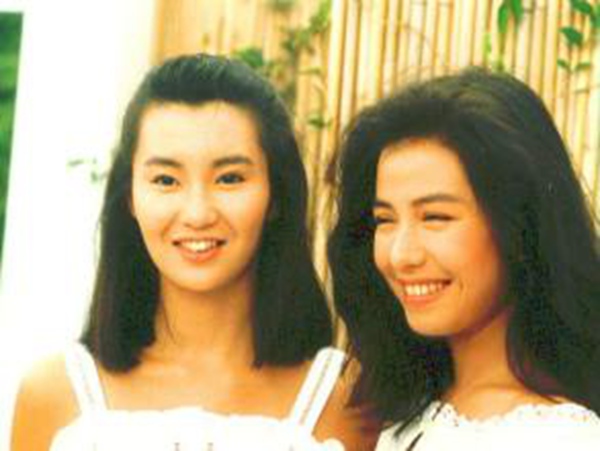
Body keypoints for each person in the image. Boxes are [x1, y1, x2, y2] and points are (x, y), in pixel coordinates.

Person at [11, 53, 377, 451]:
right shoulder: (54, 395)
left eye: (229, 178)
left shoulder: (347, 401)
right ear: (130, 196)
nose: (197, 213)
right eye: (166, 180)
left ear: (275, 195)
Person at [328, 67, 600, 449]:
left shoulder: (561, 436)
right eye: (384, 220)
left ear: (520, 224)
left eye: (435, 217)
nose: (401, 255)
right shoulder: (398, 409)